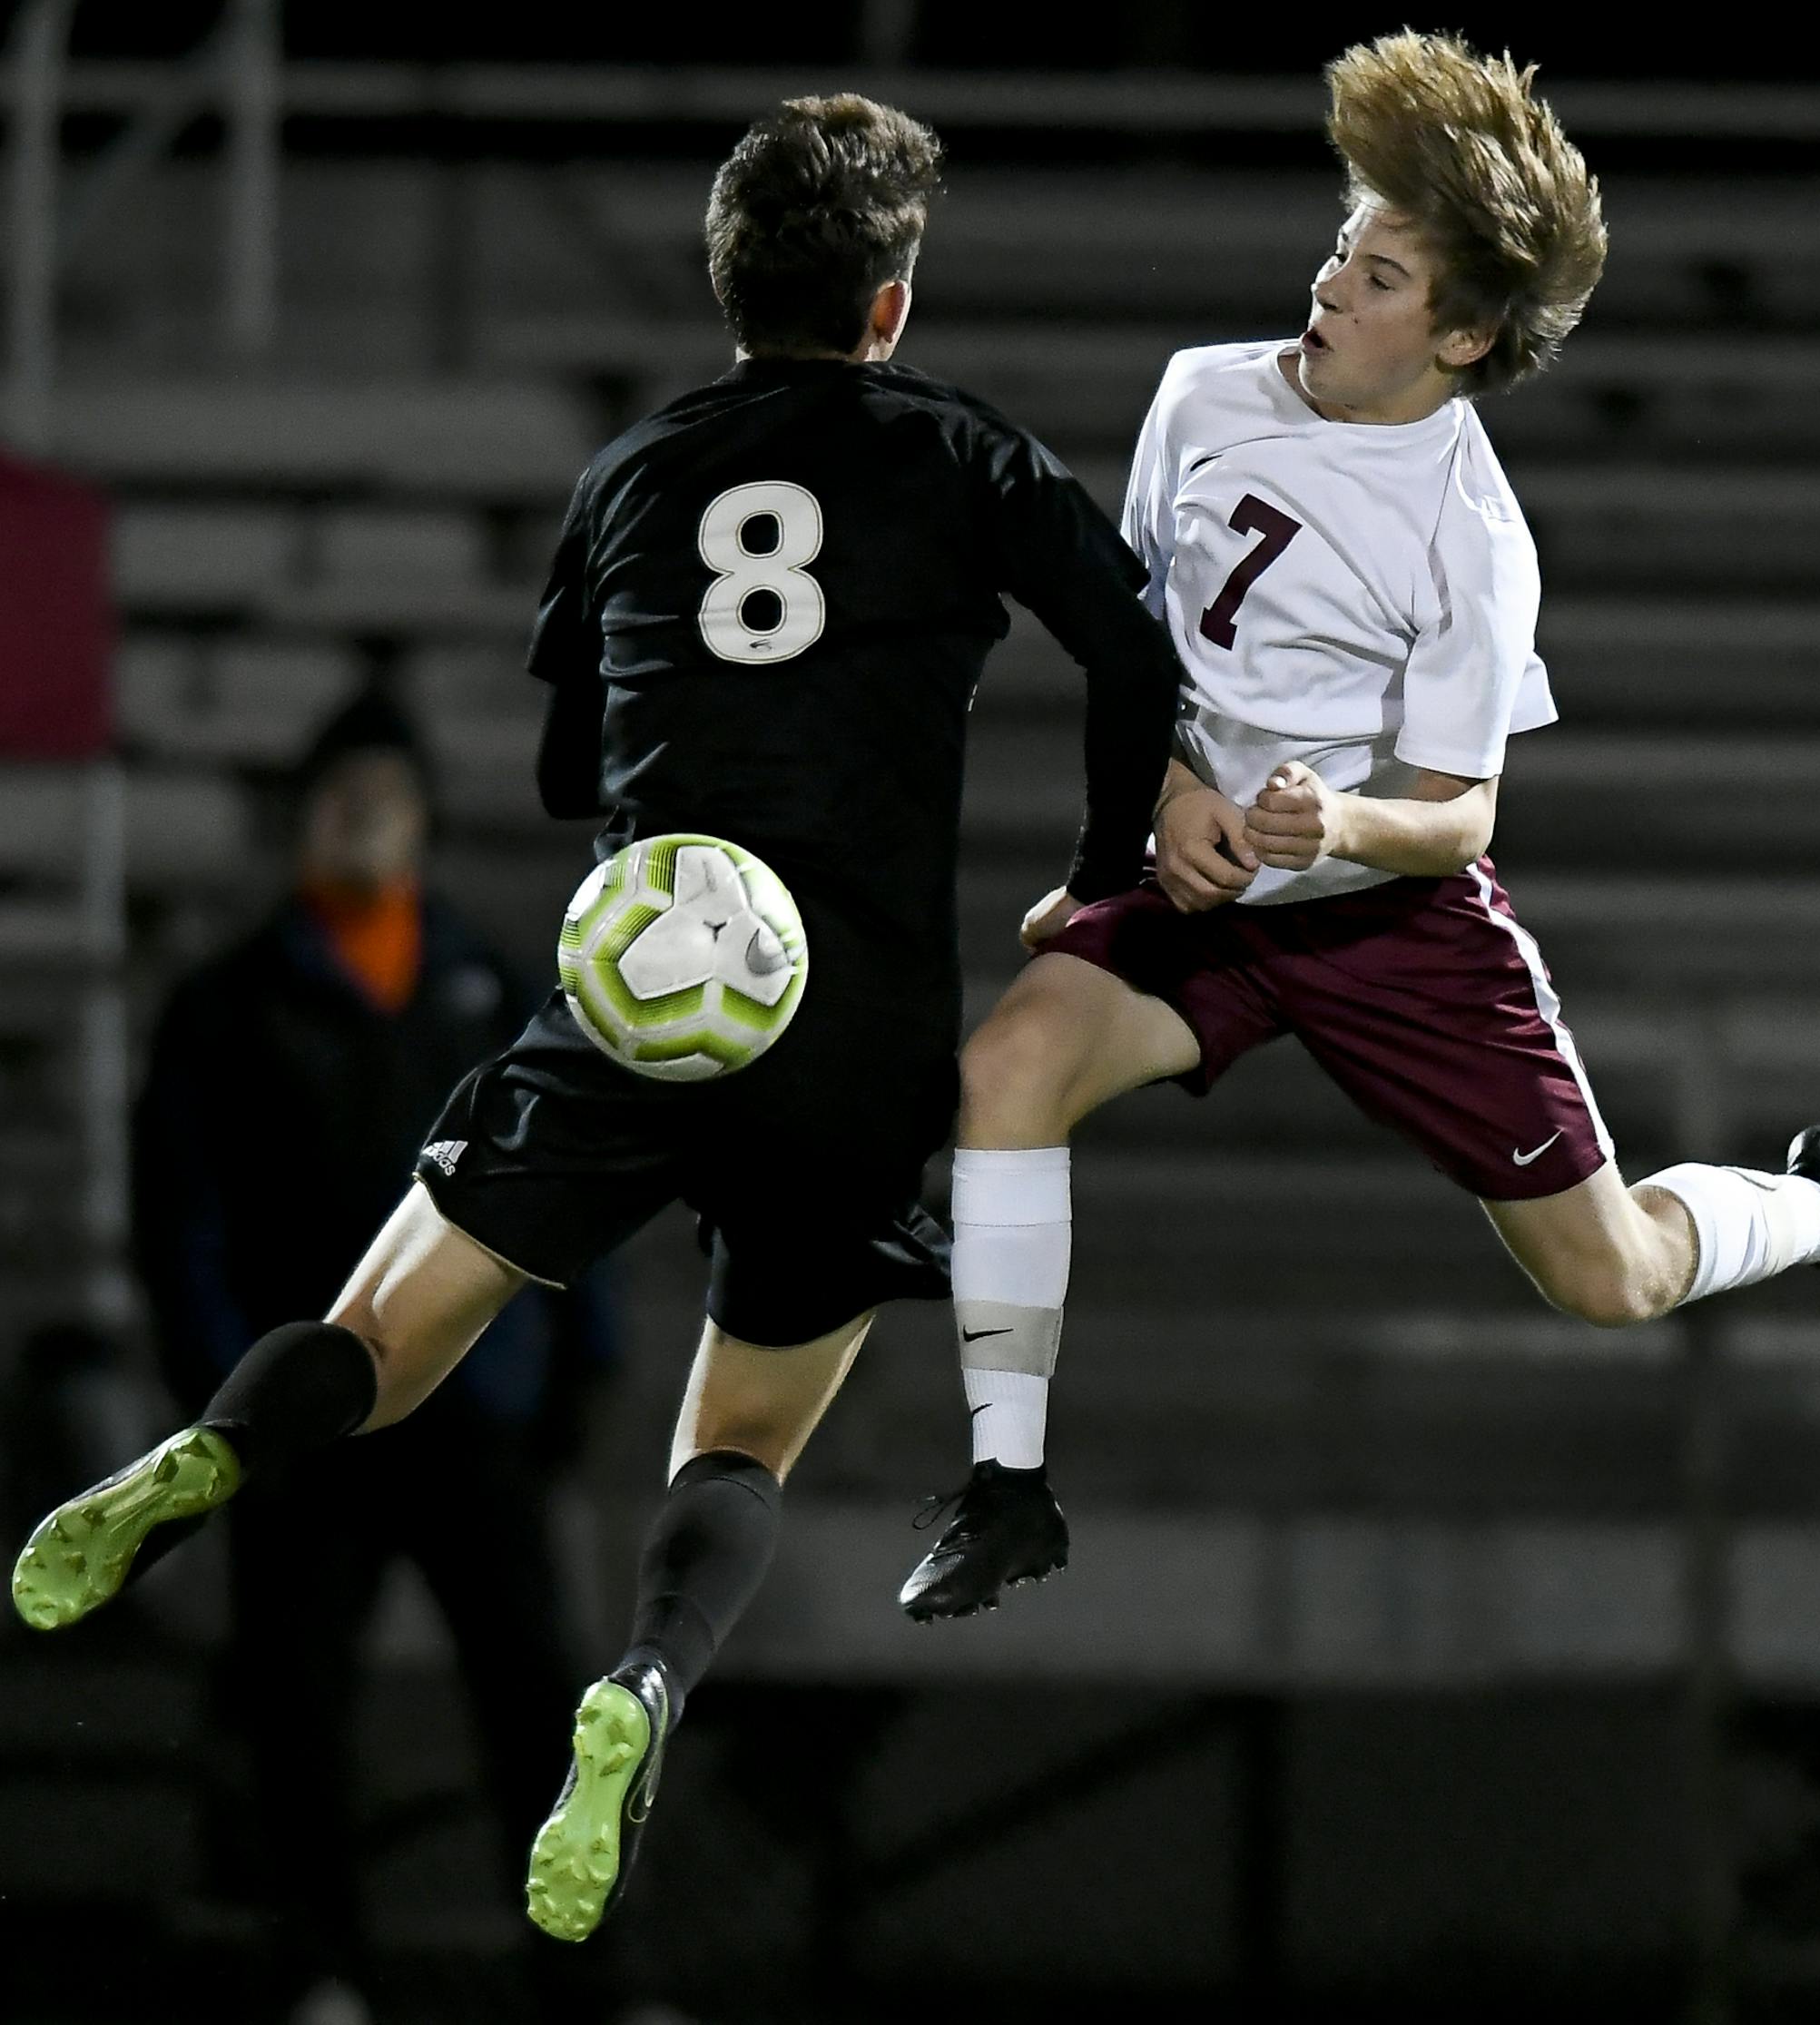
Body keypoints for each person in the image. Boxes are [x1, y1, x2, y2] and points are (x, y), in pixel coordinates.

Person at [11, 93, 1182, 1948]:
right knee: (735, 1448)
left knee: (374, 1341)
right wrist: (1110, 867)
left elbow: (576, 764)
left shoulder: (631, 473)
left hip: (639, 990)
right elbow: (1135, 649)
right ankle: (645, 1679)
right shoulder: (965, 454)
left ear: (731, 289)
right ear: (889, 306)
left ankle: (221, 1448)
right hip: (855, 1030)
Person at [899, 30, 1820, 1622]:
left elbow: (1461, 821)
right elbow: (1136, 649)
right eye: (1344, 245)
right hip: (1207, 889)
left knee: (1612, 1281)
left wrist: (1337, 821)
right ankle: (1006, 1486)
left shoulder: (1472, 532)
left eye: (1382, 275)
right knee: (1004, 1073)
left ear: (1461, 335)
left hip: (1386, 919)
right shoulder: (1199, 393)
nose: (1334, 282)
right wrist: (1151, 817)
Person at [124, 684, 615, 2021]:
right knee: (298, 1714)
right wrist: (231, 1410)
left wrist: (577, 1365)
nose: (360, 813)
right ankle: (322, 1971)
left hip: (473, 1412)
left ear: (425, 822)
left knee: (538, 1704)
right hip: (303, 1428)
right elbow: (186, 1227)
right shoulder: (225, 1008)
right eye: (338, 791)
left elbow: (571, 1184)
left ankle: (588, 1984)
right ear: (300, 819)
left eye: (385, 791)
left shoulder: (498, 992)